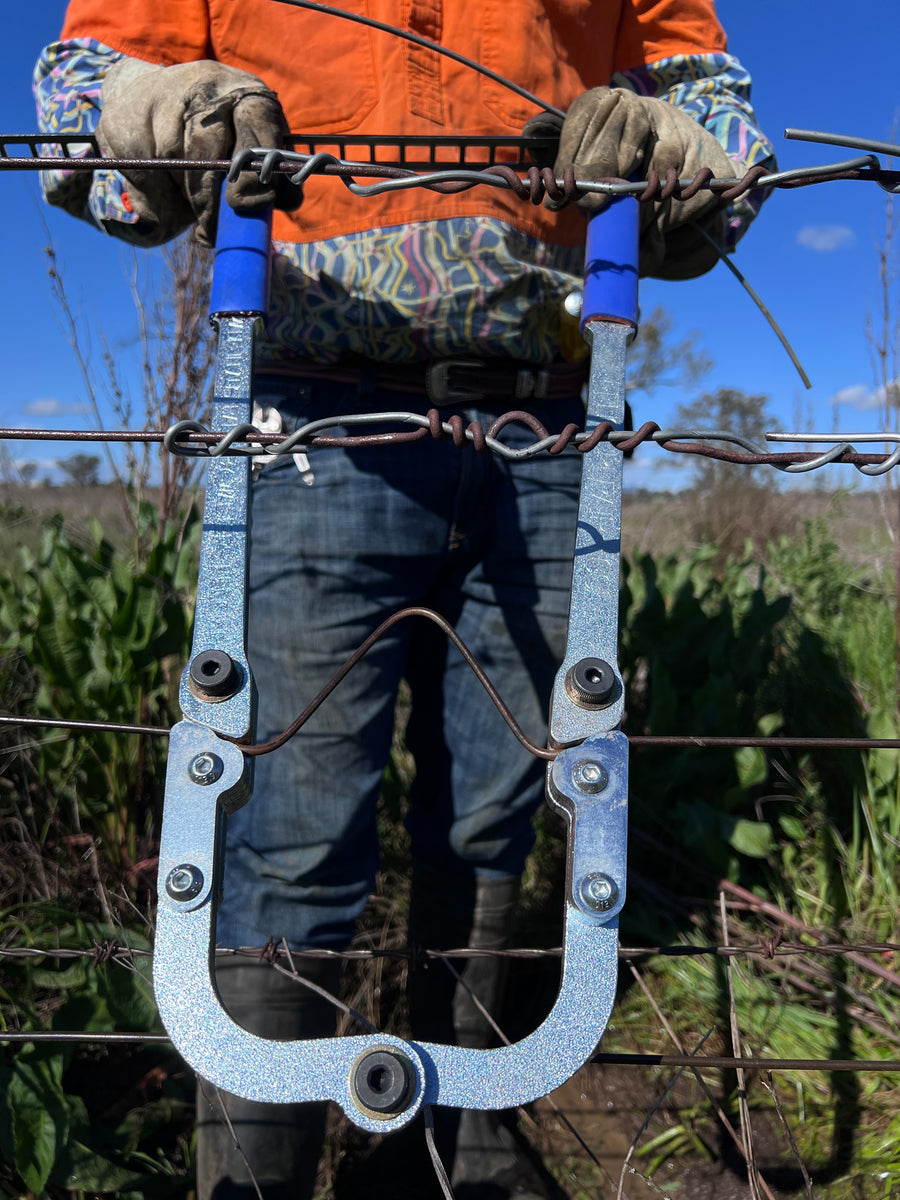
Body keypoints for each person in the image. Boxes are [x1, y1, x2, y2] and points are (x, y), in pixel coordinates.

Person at [35, 4, 775, 1197]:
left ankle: (451, 1145)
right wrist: (141, 111)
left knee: (501, 811)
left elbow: (714, 107)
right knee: (290, 827)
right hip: (310, 407)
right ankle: (255, 1175)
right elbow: (87, 78)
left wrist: (677, 143)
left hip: (546, 417)